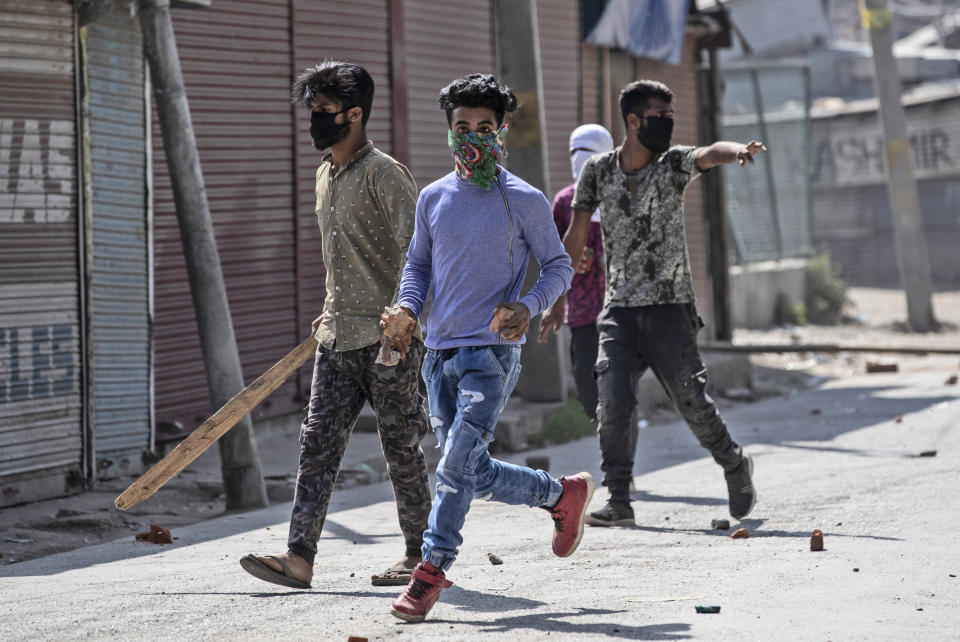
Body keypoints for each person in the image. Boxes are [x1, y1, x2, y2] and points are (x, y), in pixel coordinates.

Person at [381, 73, 592, 623]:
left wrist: (529, 305)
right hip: (438, 356)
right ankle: (558, 495)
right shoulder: (432, 198)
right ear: (449, 131)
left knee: (451, 466)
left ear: (503, 130)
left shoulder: (522, 199)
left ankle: (429, 573)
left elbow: (559, 265)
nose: (472, 136)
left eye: (484, 127)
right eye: (461, 127)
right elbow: (418, 267)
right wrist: (406, 308)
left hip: (490, 358)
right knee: (468, 469)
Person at [239, 60, 432, 590]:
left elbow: (422, 255)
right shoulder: (325, 175)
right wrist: (330, 307)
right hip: (337, 337)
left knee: (400, 448)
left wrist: (408, 315)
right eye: (313, 112)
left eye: (324, 113)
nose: (315, 122)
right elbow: (339, 258)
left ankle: (421, 554)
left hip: (390, 338)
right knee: (316, 445)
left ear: (354, 114)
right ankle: (298, 558)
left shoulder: (385, 174)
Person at [540, 79, 765, 527]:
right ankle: (619, 498)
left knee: (691, 402)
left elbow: (709, 152)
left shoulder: (673, 164)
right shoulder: (598, 172)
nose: (667, 125)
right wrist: (558, 297)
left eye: (669, 116)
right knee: (612, 402)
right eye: (659, 117)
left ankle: (734, 464)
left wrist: (736, 149)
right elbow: (576, 234)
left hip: (669, 308)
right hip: (618, 310)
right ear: (632, 120)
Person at [552, 124, 614, 421]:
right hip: (582, 310)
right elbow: (554, 255)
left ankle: (617, 447)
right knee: (586, 381)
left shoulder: (621, 197)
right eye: (574, 152)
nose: (580, 159)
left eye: (587, 152)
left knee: (618, 383)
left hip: (620, 309)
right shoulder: (565, 202)